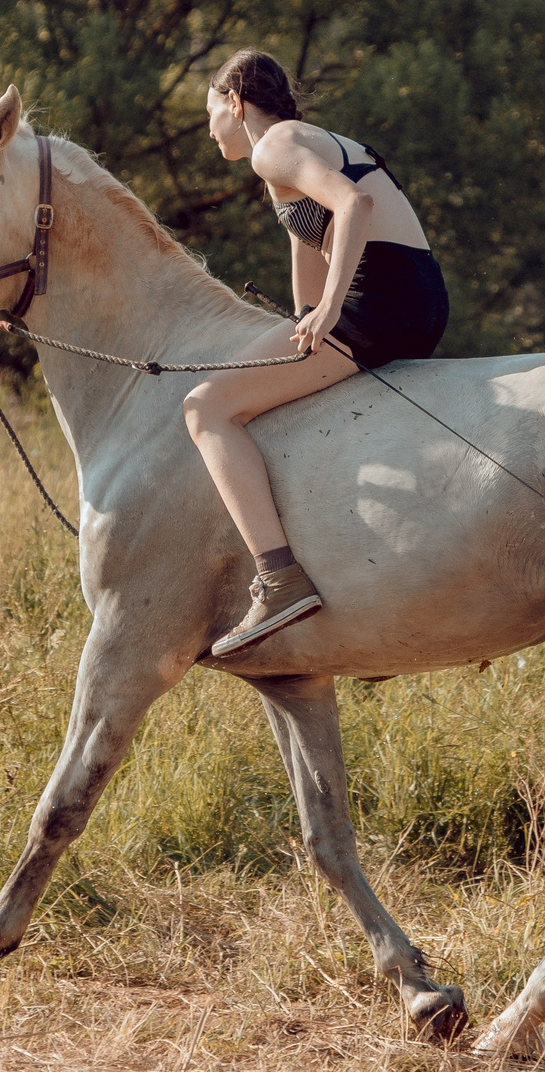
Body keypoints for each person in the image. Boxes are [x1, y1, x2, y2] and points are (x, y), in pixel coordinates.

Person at [187, 50, 449, 657]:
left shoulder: (274, 147)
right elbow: (310, 254)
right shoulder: (303, 143)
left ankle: (279, 580)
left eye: (210, 113)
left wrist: (330, 309)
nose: (209, 130)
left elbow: (355, 206)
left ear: (236, 103)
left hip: (378, 302)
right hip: (420, 299)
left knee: (205, 409)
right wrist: (307, 314)